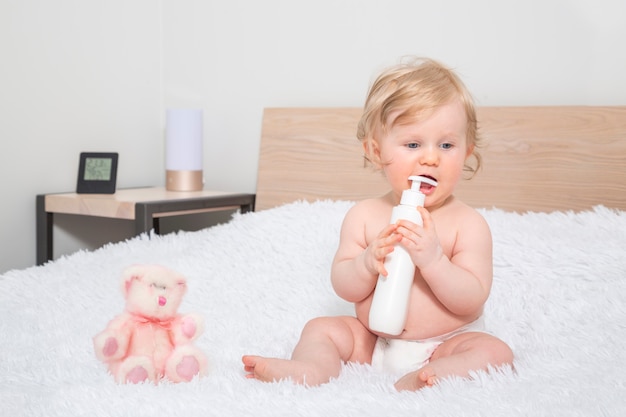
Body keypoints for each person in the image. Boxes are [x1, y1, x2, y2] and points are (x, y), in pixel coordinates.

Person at [242, 57, 514, 391]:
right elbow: (344, 286)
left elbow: (471, 298)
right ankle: (310, 368)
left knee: (494, 352)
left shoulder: (468, 224)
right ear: (375, 150)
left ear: (467, 151)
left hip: (444, 343)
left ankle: (433, 376)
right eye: (413, 144)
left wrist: (433, 260)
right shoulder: (366, 216)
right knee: (322, 328)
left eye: (446, 145)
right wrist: (367, 262)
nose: (431, 158)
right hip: (373, 340)